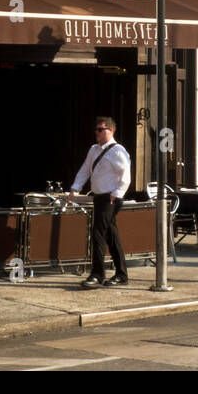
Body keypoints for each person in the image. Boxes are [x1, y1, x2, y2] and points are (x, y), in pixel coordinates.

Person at [69, 117, 131, 289]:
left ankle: (98, 274)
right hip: (99, 198)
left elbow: (126, 175)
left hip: (109, 198)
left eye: (100, 130)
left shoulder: (118, 151)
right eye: (96, 129)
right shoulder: (93, 149)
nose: (96, 133)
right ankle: (121, 274)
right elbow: (85, 169)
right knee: (111, 235)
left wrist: (116, 194)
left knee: (97, 233)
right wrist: (75, 188)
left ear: (110, 131)